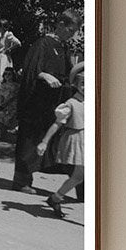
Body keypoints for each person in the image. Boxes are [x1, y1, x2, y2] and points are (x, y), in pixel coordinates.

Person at [12, 8, 81, 192]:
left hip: (53, 104)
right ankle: (22, 181)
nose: (72, 35)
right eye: (70, 31)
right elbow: (31, 70)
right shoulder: (42, 44)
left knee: (55, 142)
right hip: (36, 104)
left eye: (74, 32)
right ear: (61, 25)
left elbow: (69, 74)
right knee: (29, 142)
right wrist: (45, 76)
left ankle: (78, 183)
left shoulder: (63, 47)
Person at [37, 62, 86, 216]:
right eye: (83, 83)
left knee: (79, 176)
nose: (87, 87)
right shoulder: (71, 104)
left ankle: (56, 198)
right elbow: (57, 124)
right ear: (76, 84)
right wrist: (44, 142)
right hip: (78, 140)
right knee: (86, 174)